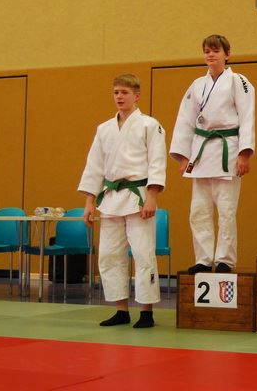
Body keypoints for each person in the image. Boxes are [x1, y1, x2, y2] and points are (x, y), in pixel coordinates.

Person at [78, 74, 166, 328]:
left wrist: (152, 197)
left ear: (136, 96)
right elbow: (94, 167)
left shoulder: (150, 125)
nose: (119, 96)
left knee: (143, 254)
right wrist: (89, 201)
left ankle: (146, 311)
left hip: (138, 197)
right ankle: (121, 309)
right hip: (110, 199)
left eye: (124, 92)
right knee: (109, 255)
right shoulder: (104, 129)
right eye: (116, 92)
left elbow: (157, 162)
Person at [170, 35, 255, 274]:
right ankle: (204, 258)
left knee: (226, 210)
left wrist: (244, 153)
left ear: (227, 54)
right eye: (207, 51)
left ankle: (225, 259)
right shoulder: (197, 84)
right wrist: (183, 156)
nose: (210, 55)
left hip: (227, 150)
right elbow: (185, 120)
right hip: (201, 152)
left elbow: (247, 117)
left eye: (215, 50)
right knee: (198, 211)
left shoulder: (239, 81)